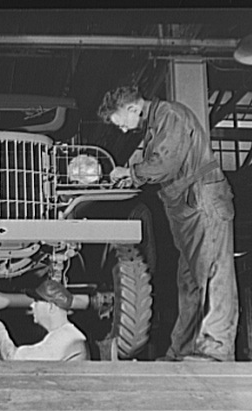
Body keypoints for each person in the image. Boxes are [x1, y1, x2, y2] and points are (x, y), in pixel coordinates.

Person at [97, 85, 239, 362]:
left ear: (132, 108)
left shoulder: (170, 115)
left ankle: (216, 349)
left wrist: (132, 172)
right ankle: (182, 350)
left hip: (203, 200)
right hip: (186, 208)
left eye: (121, 122)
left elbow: (165, 164)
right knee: (189, 280)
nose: (124, 130)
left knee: (213, 274)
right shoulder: (156, 125)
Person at [0, 279, 90, 361]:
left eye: (36, 301)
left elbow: (14, 359)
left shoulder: (66, 338)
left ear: (51, 307)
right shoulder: (67, 334)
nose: (32, 305)